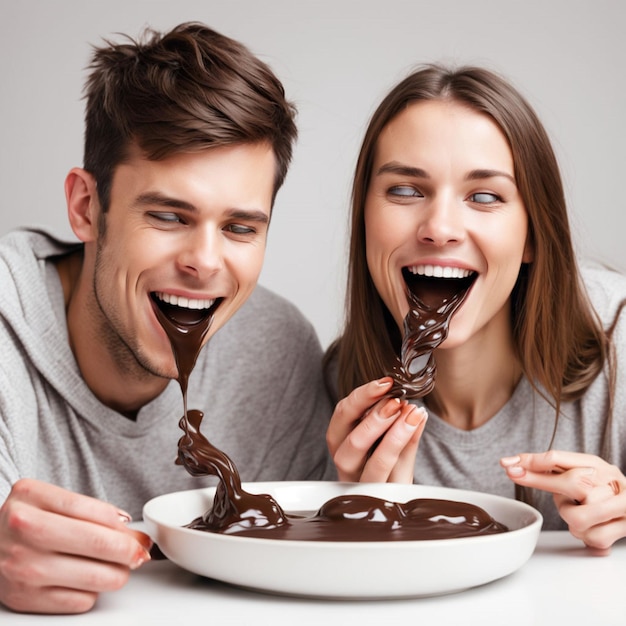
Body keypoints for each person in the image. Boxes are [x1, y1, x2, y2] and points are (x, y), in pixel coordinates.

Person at [0, 22, 334, 614]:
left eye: (239, 228)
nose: (205, 263)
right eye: (169, 216)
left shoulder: (279, 352)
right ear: (86, 207)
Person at [325, 64, 626, 553]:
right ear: (364, 220)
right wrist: (364, 521)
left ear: (533, 236)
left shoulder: (620, 334)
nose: (439, 227)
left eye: (484, 196)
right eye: (404, 190)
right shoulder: (339, 394)